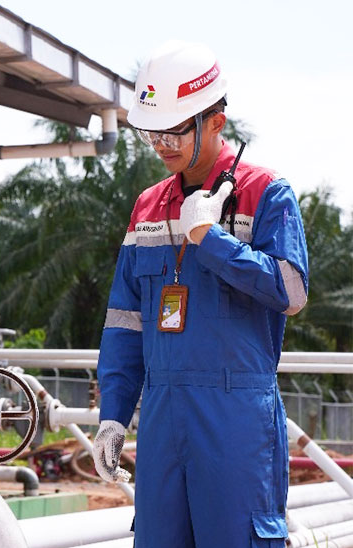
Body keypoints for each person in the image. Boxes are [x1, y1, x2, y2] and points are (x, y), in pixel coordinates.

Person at [92, 41, 308, 547]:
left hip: (235, 420)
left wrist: (211, 240)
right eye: (152, 131)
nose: (161, 144)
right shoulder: (147, 207)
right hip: (163, 417)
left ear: (216, 121)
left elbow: (292, 290)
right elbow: (125, 321)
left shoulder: (266, 192)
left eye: (174, 130)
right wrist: (113, 417)